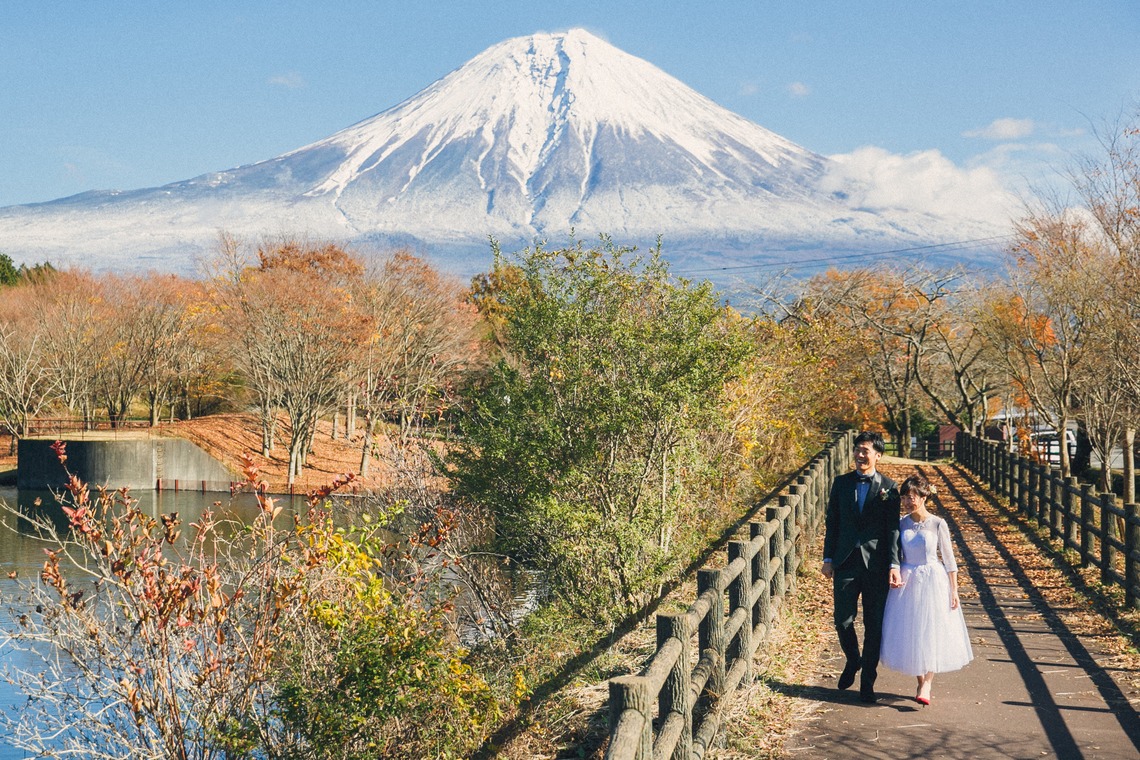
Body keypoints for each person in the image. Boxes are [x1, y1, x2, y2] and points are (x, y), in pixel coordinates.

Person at [822, 431, 901, 703]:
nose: (860, 455)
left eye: (865, 450)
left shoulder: (889, 487)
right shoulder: (841, 483)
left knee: (873, 625)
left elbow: (892, 529)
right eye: (857, 450)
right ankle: (852, 660)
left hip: (876, 565)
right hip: (845, 562)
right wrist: (828, 559)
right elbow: (832, 522)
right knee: (842, 620)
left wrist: (894, 563)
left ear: (877, 455)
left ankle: (868, 682)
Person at [880, 475, 973, 704]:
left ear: (924, 497)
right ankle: (920, 680)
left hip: (933, 578)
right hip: (908, 578)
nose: (907, 502)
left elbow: (949, 560)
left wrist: (954, 590)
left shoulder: (938, 523)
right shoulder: (901, 523)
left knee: (931, 630)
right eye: (904, 498)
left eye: (911, 497)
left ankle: (928, 683)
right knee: (910, 630)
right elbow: (894, 552)